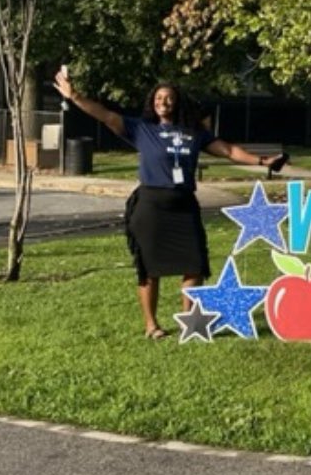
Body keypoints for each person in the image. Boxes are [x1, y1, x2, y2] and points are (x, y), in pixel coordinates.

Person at [53, 69, 287, 339]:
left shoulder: (194, 132)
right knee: (150, 268)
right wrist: (75, 96)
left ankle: (191, 321)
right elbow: (105, 115)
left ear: (177, 102)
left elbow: (229, 150)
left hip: (184, 206)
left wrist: (262, 161)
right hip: (151, 206)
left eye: (168, 97)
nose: (162, 101)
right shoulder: (141, 129)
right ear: (152, 102)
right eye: (158, 97)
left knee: (195, 264)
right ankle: (151, 325)